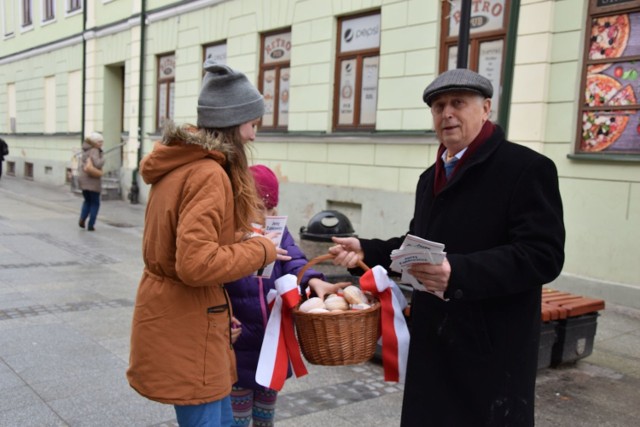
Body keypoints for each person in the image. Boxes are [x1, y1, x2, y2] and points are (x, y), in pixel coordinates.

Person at [329, 68, 565, 426]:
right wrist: (366, 250)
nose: (447, 113)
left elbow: (542, 255)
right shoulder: (431, 177)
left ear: (486, 108)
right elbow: (416, 245)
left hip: (490, 350)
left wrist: (458, 272)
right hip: (433, 343)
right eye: (438, 106)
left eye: (458, 103)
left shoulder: (526, 168)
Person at [127, 61, 284, 427]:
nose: (254, 135)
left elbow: (185, 253)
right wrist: (261, 249)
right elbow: (196, 263)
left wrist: (215, 303)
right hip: (184, 322)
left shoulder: (184, 165)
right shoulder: (208, 173)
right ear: (234, 121)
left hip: (187, 313)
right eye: (252, 124)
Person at [225, 164, 330, 427]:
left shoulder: (278, 232)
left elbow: (295, 261)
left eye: (271, 208)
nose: (267, 215)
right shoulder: (230, 238)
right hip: (238, 345)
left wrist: (313, 278)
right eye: (259, 207)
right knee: (237, 416)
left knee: (265, 415)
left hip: (270, 345)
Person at [78, 132, 105, 231]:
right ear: (94, 142)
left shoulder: (85, 149)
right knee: (95, 203)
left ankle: (82, 218)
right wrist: (103, 157)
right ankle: (91, 224)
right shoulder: (94, 150)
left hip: (83, 179)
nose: (101, 144)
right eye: (99, 142)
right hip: (92, 180)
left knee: (87, 201)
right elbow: (97, 164)